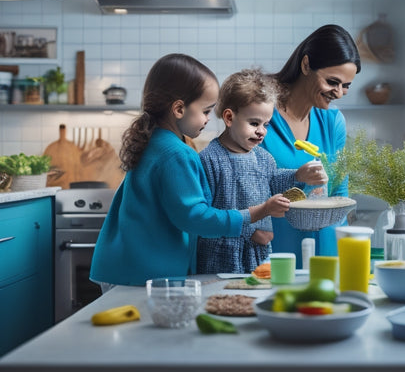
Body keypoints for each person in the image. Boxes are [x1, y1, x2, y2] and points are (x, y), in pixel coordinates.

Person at [90, 54, 290, 287]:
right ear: (178, 109)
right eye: (206, 111)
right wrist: (257, 212)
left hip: (121, 267)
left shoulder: (152, 142)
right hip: (143, 275)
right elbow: (196, 217)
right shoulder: (177, 154)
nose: (207, 119)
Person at [196, 68, 327, 274]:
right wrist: (250, 228)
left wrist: (297, 175)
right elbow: (207, 217)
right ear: (229, 118)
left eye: (266, 124)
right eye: (254, 123)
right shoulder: (209, 160)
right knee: (226, 300)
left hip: (261, 254)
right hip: (224, 256)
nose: (261, 131)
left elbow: (273, 181)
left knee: (257, 298)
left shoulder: (263, 157)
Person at [261, 24, 361, 268]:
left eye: (346, 85)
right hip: (274, 253)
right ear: (306, 65)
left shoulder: (333, 121)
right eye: (332, 82)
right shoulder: (260, 113)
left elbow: (339, 192)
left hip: (326, 254)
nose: (339, 92)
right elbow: (242, 186)